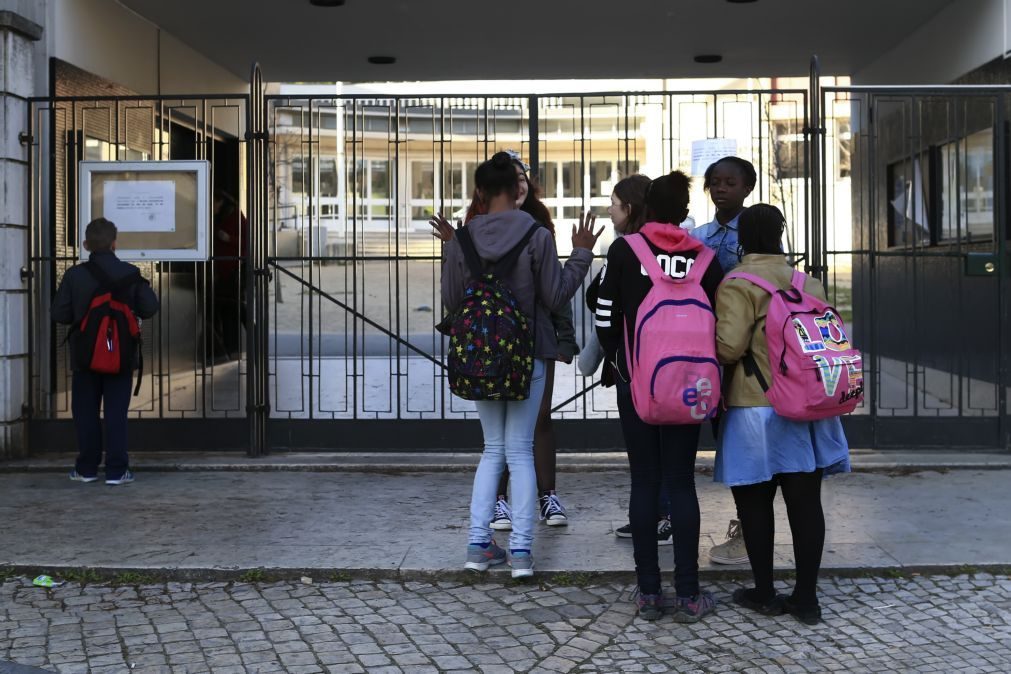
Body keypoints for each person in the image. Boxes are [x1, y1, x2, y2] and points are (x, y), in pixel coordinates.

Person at [441, 152, 600, 578]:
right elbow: (555, 295)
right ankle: (523, 554)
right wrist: (582, 254)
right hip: (527, 353)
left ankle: (478, 546)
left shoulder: (462, 238)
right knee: (520, 451)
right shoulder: (536, 234)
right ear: (517, 191)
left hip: (481, 357)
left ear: (479, 191)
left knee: (492, 450)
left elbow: (453, 302)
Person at [714, 203, 851, 625]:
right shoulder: (808, 281)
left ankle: (764, 591)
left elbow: (729, 348)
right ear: (781, 234)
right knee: (806, 503)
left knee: (755, 503)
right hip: (807, 406)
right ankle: (806, 598)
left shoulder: (736, 282)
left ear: (742, 239)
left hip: (756, 407)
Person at [595, 171, 723, 621]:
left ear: (645, 208)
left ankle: (648, 592)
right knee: (682, 482)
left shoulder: (626, 250)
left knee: (645, 482)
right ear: (685, 212)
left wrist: (620, 362)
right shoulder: (706, 257)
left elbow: (606, 313)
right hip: (691, 387)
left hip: (638, 386)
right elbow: (719, 323)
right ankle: (689, 592)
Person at [581, 174, 674, 546]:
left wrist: (616, 355)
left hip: (635, 364)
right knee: (666, 445)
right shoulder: (675, 246)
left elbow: (600, 304)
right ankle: (657, 514)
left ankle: (657, 515)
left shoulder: (627, 250)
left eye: (614, 203)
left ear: (630, 208)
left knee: (646, 449)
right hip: (672, 363)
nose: (609, 208)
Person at [52, 217, 160, 485]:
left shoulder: (74, 275)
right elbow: (150, 308)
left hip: (85, 356)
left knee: (85, 412)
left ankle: (87, 469)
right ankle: (116, 470)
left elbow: (60, 314)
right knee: (115, 412)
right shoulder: (131, 273)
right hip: (120, 356)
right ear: (115, 243)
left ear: (86, 244)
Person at [691, 156, 758, 566]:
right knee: (722, 439)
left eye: (729, 182)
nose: (720, 188)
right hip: (702, 350)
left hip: (745, 354)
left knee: (744, 441)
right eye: (714, 182)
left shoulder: (755, 233)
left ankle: (750, 524)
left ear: (747, 188)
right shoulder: (698, 236)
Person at [210, 189, 249, 362]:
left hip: (233, 273)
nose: (212, 206)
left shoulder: (236, 218)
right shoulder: (218, 218)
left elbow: (248, 242)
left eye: (214, 202)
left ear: (221, 202)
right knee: (227, 311)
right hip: (222, 273)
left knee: (235, 309)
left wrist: (228, 239)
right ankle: (229, 348)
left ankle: (247, 342)